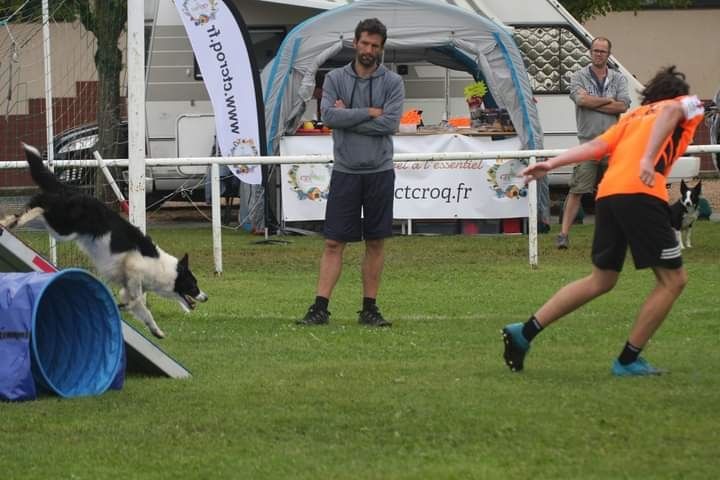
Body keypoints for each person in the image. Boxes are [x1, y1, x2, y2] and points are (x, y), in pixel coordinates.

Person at [503, 66, 704, 376]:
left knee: (602, 279)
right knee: (673, 280)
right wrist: (649, 158)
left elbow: (597, 146)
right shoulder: (685, 103)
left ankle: (524, 332)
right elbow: (672, 112)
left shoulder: (634, 118)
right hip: (641, 193)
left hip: (609, 194)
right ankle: (627, 360)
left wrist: (552, 162)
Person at [297, 18, 404, 327]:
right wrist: (369, 112)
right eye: (365, 43)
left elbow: (390, 124)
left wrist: (348, 116)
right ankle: (320, 308)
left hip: (380, 171)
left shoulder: (393, 82)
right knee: (333, 243)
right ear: (355, 42)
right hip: (345, 171)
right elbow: (328, 116)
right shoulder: (333, 78)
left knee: (375, 241)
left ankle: (369, 309)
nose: (369, 50)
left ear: (381, 48)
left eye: (375, 45)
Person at [557, 37, 631, 249]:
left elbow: (623, 106)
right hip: (588, 143)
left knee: (616, 190)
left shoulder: (618, 78)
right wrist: (608, 100)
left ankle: (621, 233)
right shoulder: (578, 76)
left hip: (612, 144)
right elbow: (581, 100)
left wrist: (594, 101)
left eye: (603, 51)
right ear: (590, 52)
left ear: (609, 55)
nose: (598, 54)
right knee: (577, 189)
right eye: (595, 50)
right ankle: (563, 234)